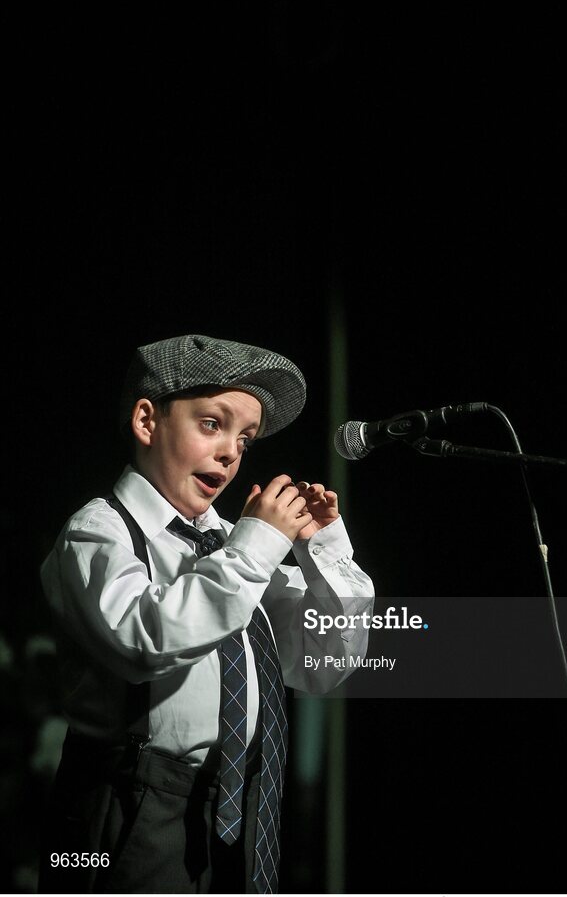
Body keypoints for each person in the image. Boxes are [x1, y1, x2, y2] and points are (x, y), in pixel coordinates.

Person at [38, 333, 375, 895]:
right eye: (212, 425)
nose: (231, 453)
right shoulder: (98, 532)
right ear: (148, 421)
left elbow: (324, 663)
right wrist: (257, 547)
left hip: (237, 803)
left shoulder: (235, 546)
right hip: (126, 810)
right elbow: (142, 637)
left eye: (245, 439)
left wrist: (324, 554)